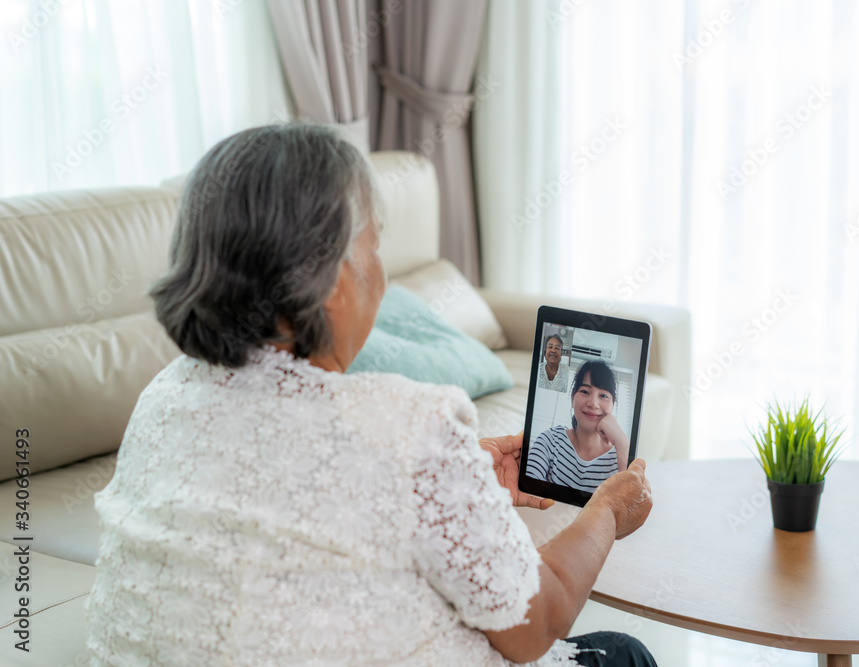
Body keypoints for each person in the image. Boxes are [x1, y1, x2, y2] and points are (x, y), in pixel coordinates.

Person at [85, 123, 656, 666]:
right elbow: (538, 622)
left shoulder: (162, 397)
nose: (382, 275)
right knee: (624, 652)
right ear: (334, 282)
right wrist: (606, 510)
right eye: (376, 248)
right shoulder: (411, 426)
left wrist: (452, 482)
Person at [527, 360, 630, 493]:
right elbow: (528, 490)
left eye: (603, 395)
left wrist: (622, 441)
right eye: (585, 391)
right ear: (572, 398)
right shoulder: (550, 440)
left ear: (612, 405)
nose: (593, 404)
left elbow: (629, 505)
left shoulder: (620, 457)